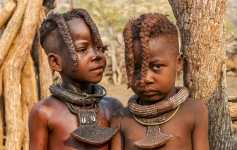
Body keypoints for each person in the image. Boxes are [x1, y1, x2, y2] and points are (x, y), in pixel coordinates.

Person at [110, 13, 209, 150]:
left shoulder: (194, 111)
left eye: (157, 67)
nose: (145, 78)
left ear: (179, 62)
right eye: (136, 68)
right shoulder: (120, 119)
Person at [29, 8, 123, 150]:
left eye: (99, 47)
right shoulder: (44, 112)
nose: (96, 55)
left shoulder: (113, 107)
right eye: (82, 49)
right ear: (56, 62)